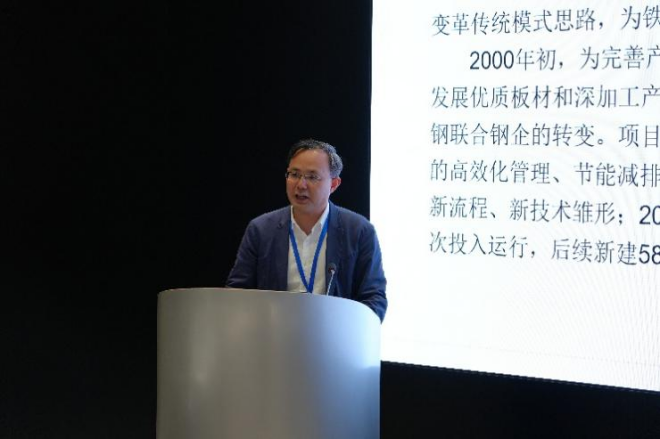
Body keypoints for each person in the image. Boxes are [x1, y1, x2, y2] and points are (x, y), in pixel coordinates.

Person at [226, 138, 388, 322]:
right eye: (294, 174)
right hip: (273, 334)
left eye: (312, 177)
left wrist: (349, 332)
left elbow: (373, 298)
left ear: (334, 184)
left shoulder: (359, 231)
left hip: (334, 336)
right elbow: (237, 293)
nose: (301, 185)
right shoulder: (261, 230)